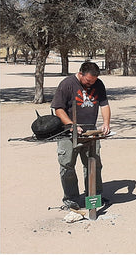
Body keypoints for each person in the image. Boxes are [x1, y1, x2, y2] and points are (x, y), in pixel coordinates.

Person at [51, 61, 111, 210]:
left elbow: (104, 104)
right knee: (67, 165)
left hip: (91, 132)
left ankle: (94, 196)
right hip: (68, 133)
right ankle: (71, 199)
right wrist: (71, 125)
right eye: (88, 81)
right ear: (80, 74)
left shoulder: (98, 84)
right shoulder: (67, 84)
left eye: (94, 81)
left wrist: (106, 123)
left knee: (93, 164)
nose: (91, 84)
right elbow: (58, 109)